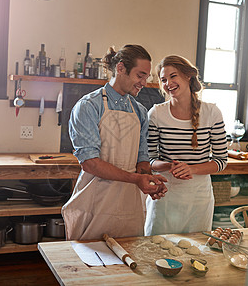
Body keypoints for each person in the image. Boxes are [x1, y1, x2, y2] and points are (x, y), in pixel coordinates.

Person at [62, 44, 168, 241]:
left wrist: (149, 180)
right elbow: (90, 162)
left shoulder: (140, 111)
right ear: (120, 68)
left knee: (129, 263)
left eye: (147, 77)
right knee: (91, 264)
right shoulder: (88, 107)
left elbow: (142, 161)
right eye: (140, 75)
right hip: (96, 200)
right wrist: (136, 179)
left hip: (130, 203)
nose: (144, 82)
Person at [144, 55, 228, 235]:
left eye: (173, 76)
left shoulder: (212, 112)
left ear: (188, 76)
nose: (168, 83)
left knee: (195, 254)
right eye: (163, 79)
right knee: (157, 251)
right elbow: (149, 159)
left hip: (198, 197)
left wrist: (192, 169)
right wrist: (168, 165)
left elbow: (221, 160)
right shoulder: (157, 114)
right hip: (165, 194)